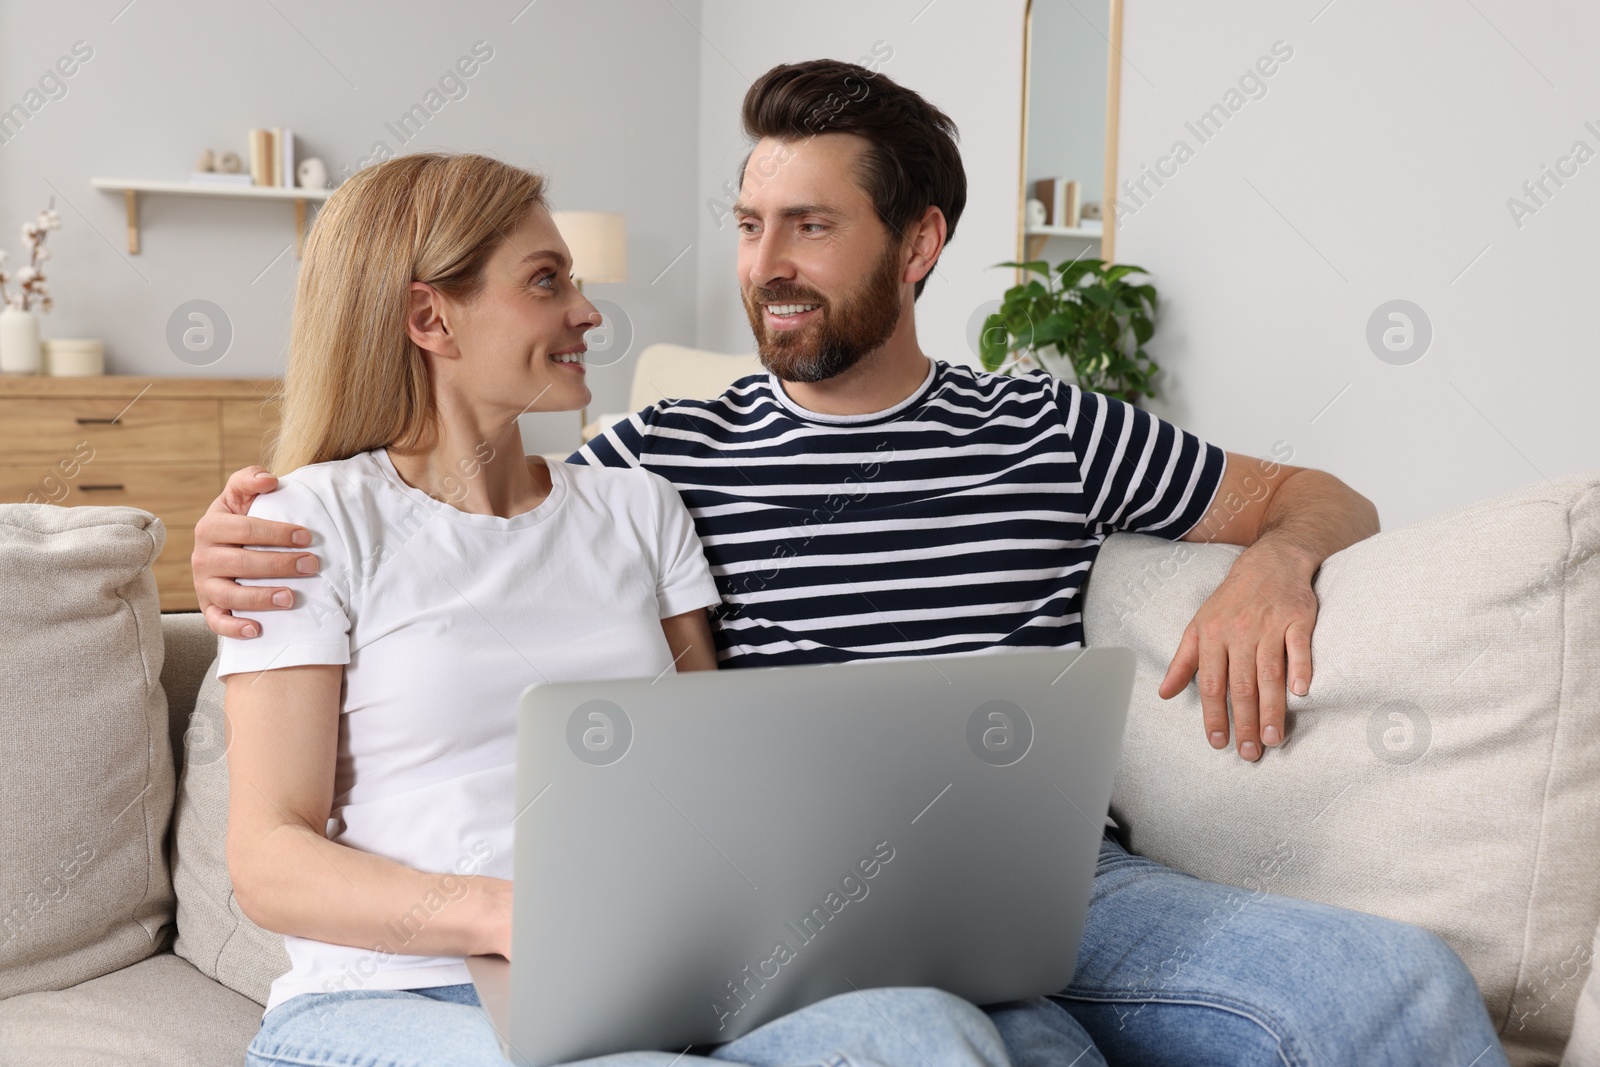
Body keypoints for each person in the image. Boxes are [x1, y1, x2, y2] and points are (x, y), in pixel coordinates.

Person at [195, 61, 1512, 1067]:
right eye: (749, 223)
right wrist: (239, 545)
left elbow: (1317, 494)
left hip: (1043, 880)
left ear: (919, 243)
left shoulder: (1045, 424)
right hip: (789, 906)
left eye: (810, 228)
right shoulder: (657, 459)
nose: (764, 266)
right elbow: (445, 538)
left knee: (1402, 987)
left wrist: (1278, 562)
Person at [217, 149, 1025, 1067]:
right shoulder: (306, 522)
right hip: (393, 995)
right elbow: (267, 857)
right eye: (547, 280)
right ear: (428, 315)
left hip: (642, 977)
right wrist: (505, 912)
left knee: (932, 1031)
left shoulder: (638, 507)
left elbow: (710, 770)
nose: (588, 311)